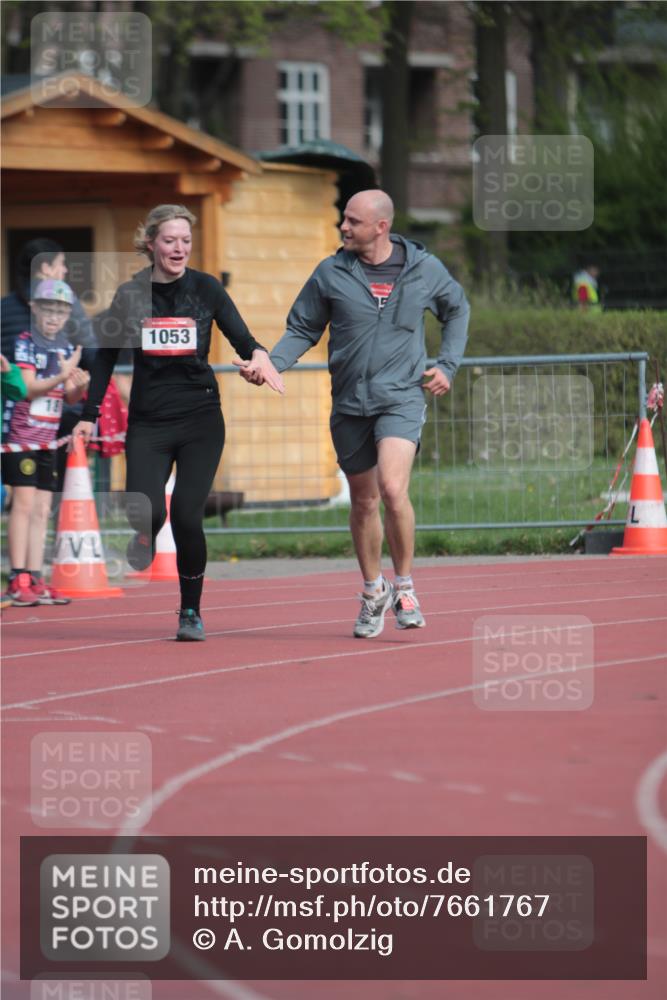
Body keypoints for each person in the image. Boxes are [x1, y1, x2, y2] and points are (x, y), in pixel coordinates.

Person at [237, 189, 470, 638]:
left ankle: (404, 586)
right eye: (344, 219)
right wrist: (270, 363)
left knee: (392, 486)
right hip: (348, 402)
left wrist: (448, 364)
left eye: (352, 221)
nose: (343, 227)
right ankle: (372, 591)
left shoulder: (425, 269)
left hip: (401, 397)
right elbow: (303, 327)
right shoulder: (330, 272)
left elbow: (457, 310)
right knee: (363, 500)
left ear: (381, 227)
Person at [72, 204, 284, 641]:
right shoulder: (131, 294)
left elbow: (245, 339)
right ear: (151, 244)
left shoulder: (206, 289)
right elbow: (107, 356)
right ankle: (145, 533)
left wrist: (258, 361)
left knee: (187, 515)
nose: (179, 248)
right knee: (147, 509)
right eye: (170, 241)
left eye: (185, 241)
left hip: (200, 417)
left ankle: (190, 612)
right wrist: (89, 415)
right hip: (149, 422)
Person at [1, 280, 89, 607]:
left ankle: (36, 578)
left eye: (61, 311)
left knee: (42, 508)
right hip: (21, 439)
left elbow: (66, 398)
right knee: (22, 505)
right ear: (34, 309)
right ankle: (17, 576)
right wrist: (63, 373)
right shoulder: (24, 344)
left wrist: (79, 385)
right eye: (48, 309)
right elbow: (27, 388)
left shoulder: (65, 347)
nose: (54, 317)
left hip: (47, 440)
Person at [1, 238, 98, 492]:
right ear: (45, 269)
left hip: (13, 417)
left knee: (28, 495)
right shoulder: (68, 304)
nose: (65, 271)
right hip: (56, 415)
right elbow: (91, 352)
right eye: (61, 264)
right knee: (49, 492)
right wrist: (84, 378)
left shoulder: (4, 307)